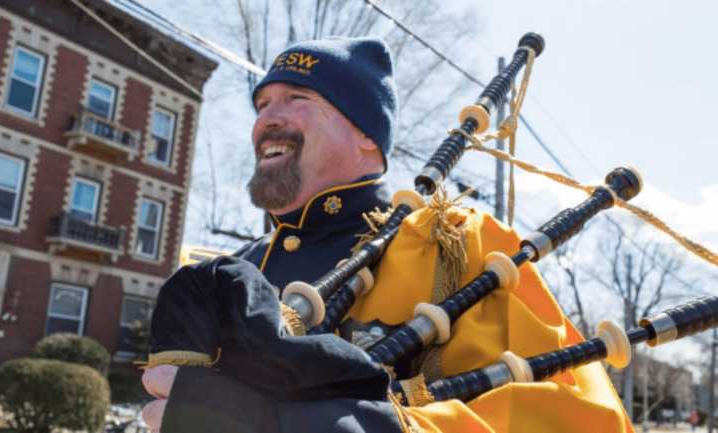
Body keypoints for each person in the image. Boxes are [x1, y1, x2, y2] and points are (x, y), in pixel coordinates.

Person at [141, 36, 633, 433]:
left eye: (297, 98)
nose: (266, 118)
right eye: (263, 102)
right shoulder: (238, 269)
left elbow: (582, 418)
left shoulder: (456, 243)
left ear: (365, 136)